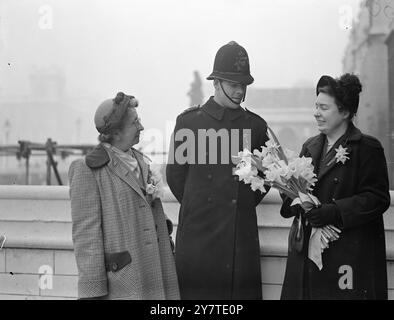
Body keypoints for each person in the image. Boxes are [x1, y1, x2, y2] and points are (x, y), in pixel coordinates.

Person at [166, 41, 270, 299]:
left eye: (243, 85)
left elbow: (265, 178)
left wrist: (239, 206)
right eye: (233, 84)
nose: (239, 91)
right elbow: (175, 177)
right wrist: (201, 206)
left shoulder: (255, 127)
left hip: (239, 244)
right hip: (198, 243)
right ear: (216, 83)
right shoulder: (189, 123)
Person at [280, 74, 391, 300]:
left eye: (323, 107)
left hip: (347, 258)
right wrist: (290, 195)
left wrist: (334, 211)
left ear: (345, 112)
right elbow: (298, 196)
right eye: (316, 106)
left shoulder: (367, 148)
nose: (316, 113)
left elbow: (377, 198)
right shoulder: (310, 146)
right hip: (307, 257)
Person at [69, 92, 180, 300]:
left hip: (157, 272)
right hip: (125, 281)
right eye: (134, 122)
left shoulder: (141, 160)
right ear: (116, 133)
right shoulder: (88, 169)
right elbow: (86, 237)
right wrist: (93, 293)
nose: (141, 127)